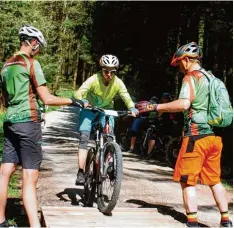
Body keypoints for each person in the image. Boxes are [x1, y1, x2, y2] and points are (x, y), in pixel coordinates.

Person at [137, 42, 232, 227]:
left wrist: (155, 107)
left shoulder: (191, 78)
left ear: (187, 60)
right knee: (215, 181)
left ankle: (192, 222)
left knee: (187, 182)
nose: (179, 68)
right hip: (214, 137)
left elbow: (183, 104)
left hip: (196, 138)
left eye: (179, 64)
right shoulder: (212, 78)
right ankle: (226, 220)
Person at [0, 25, 83, 228]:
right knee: (30, 176)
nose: (38, 50)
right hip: (28, 122)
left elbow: (4, 99)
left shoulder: (6, 65)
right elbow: (47, 98)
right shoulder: (30, 63)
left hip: (10, 122)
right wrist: (72, 101)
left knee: (5, 172)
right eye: (39, 46)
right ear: (33, 43)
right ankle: (35, 226)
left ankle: (1, 221)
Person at [74, 54, 139, 185]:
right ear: (101, 69)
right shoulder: (93, 79)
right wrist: (83, 100)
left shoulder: (118, 82)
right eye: (106, 71)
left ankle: (109, 163)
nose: (109, 74)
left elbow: (126, 96)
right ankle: (81, 171)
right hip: (89, 109)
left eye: (112, 72)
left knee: (109, 137)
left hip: (106, 111)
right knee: (84, 138)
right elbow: (79, 92)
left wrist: (132, 108)